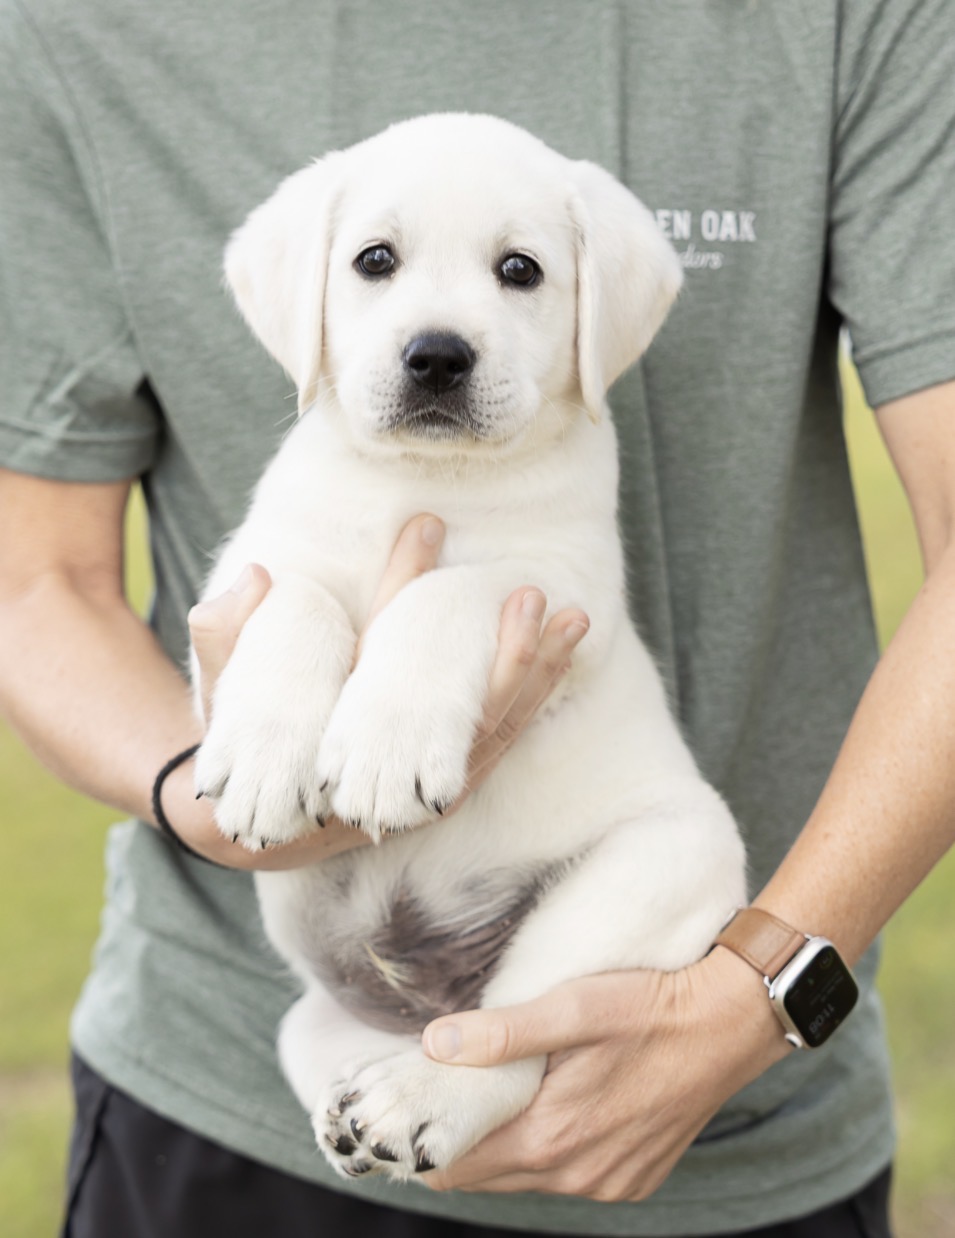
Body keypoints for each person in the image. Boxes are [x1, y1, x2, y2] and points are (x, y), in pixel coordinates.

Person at [0, 1, 952, 1235]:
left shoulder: (853, 26)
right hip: (248, 1078)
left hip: (698, 1077)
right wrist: (211, 773)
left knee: (688, 844)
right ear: (307, 298)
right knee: (291, 639)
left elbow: (559, 612)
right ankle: (413, 1090)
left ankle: (480, 1065)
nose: (440, 334)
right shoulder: (71, 33)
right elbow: (47, 583)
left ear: (594, 312)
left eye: (517, 274)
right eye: (379, 264)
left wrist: (759, 993)